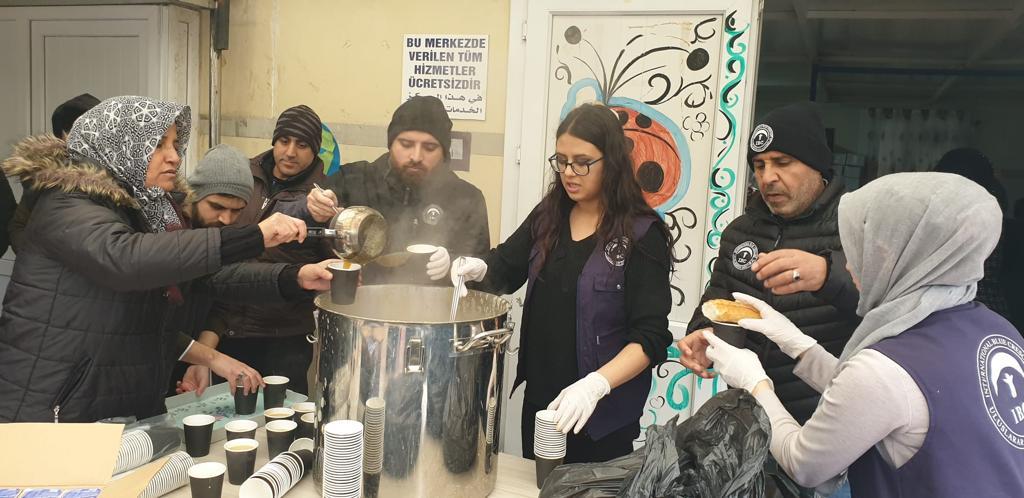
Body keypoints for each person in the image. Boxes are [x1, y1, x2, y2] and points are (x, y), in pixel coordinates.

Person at [0, 96, 320, 423]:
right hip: (53, 408)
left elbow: (208, 278)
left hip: (109, 400)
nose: (174, 157)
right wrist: (255, 236)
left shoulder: (149, 210)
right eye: (158, 145)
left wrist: (294, 277)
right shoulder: (68, 204)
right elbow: (127, 260)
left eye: (174, 144)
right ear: (121, 146)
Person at [703, 172, 1024, 497]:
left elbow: (805, 463)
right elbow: (879, 401)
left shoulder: (884, 368)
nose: (851, 265)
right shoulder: (1000, 333)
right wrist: (797, 343)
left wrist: (755, 384)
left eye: (867, 250)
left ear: (909, 256)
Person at [440, 104, 673, 463]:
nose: (569, 173)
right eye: (561, 161)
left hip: (600, 414)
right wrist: (475, 268)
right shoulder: (550, 214)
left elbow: (650, 337)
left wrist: (596, 385)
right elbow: (505, 266)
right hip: (542, 401)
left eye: (582, 162)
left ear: (611, 161)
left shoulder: (641, 234)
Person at [676, 102, 859, 425]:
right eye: (759, 165)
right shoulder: (740, 231)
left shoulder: (856, 228)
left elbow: (887, 312)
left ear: (817, 166)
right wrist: (702, 334)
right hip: (748, 416)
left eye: (782, 163)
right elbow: (718, 299)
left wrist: (828, 275)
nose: (768, 177)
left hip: (825, 421)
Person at [171, 144, 338, 396]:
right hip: (161, 355)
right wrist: (209, 358)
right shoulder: (171, 232)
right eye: (217, 206)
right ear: (194, 194)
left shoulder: (219, 233)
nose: (226, 218)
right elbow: (149, 325)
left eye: (236, 210)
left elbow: (225, 284)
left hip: (190, 352)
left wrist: (299, 276)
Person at [207, 105, 334, 395]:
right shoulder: (242, 175)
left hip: (284, 336)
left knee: (283, 421)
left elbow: (337, 255)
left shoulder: (322, 196)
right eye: (284, 141)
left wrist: (330, 216)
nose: (290, 152)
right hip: (226, 328)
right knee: (225, 417)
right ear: (274, 141)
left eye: (302, 145)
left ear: (315, 151)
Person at [302, 96, 490, 284]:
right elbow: (308, 241)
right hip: (361, 307)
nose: (416, 156)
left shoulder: (466, 198)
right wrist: (315, 207)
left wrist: (454, 261)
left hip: (435, 308)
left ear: (444, 153)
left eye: (430, 147)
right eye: (406, 145)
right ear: (391, 144)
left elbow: (481, 270)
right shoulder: (355, 179)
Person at [8, 93, 102, 253]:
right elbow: (18, 225)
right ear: (63, 135)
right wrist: (39, 257)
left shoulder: (120, 170)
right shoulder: (43, 175)